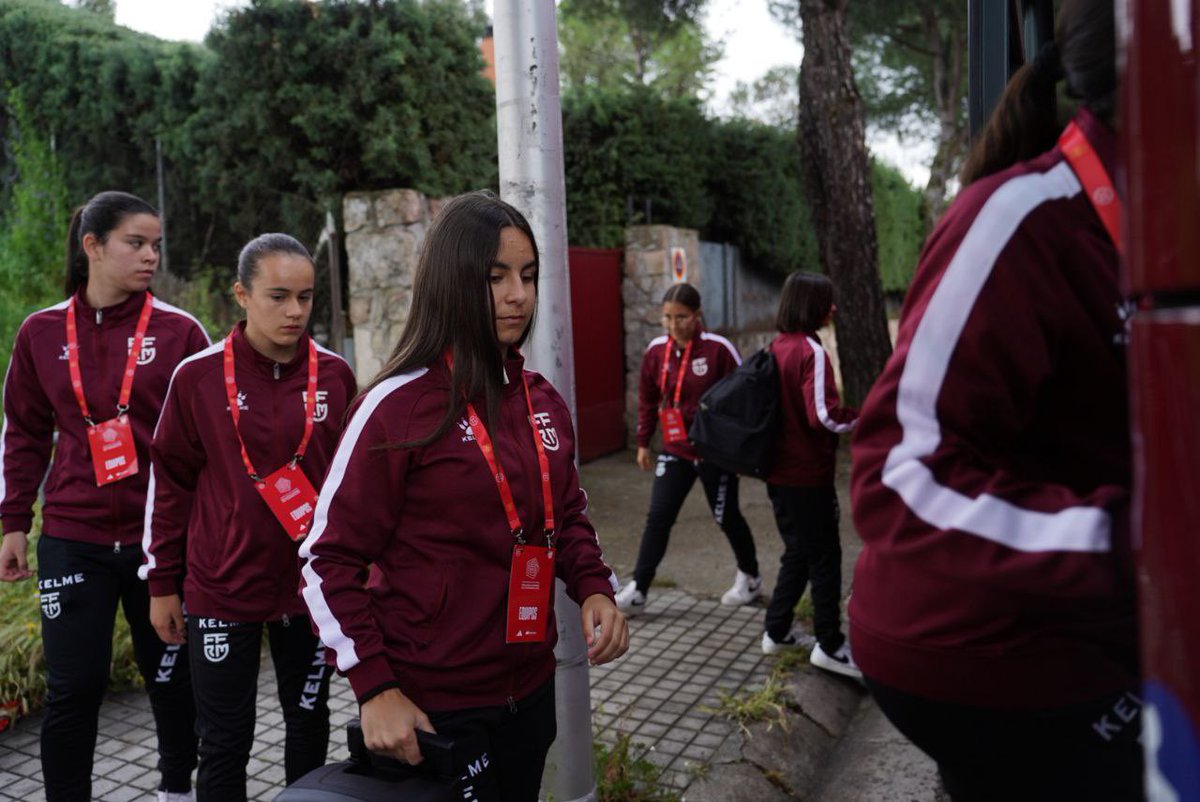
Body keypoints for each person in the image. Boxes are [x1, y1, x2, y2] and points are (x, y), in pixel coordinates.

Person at [849, 1, 1140, 799]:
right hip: (981, 646)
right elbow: (895, 477)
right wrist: (1137, 544)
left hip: (1095, 629)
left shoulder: (1165, 227)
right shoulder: (1021, 218)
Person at [297, 191, 628, 801]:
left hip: (529, 693)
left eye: (527, 276)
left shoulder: (542, 400)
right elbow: (325, 561)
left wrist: (594, 586)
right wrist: (375, 689)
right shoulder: (396, 407)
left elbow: (568, 512)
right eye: (495, 277)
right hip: (433, 713)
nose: (518, 295)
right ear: (452, 281)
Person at [0, 191, 206, 801]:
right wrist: (14, 522)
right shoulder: (40, 332)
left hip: (160, 541)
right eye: (136, 243)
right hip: (72, 537)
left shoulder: (179, 331)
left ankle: (175, 790)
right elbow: (25, 431)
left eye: (156, 245)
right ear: (92, 246)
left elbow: (206, 443)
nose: (151, 257)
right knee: (74, 688)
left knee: (172, 682)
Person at [141, 234, 357, 801]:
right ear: (241, 294)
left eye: (306, 298)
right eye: (278, 296)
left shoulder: (335, 376)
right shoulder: (197, 376)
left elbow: (350, 491)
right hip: (221, 587)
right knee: (224, 741)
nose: (294, 312)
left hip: (309, 590)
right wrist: (163, 581)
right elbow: (171, 486)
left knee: (309, 728)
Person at [616, 283, 762, 615]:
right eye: (666, 318)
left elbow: (744, 395)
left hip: (714, 452)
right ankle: (639, 587)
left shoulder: (718, 349)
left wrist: (740, 451)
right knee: (659, 516)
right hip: (676, 448)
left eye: (680, 317)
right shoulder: (657, 351)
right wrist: (643, 442)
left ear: (696, 316)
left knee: (725, 516)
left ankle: (751, 577)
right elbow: (649, 399)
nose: (672, 325)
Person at [758, 273, 859, 680]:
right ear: (811, 304)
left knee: (798, 551)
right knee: (825, 557)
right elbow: (823, 416)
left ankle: (776, 630)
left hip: (778, 473)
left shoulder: (777, 346)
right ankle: (831, 645)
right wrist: (863, 421)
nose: (832, 308)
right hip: (807, 476)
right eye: (827, 301)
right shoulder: (810, 351)